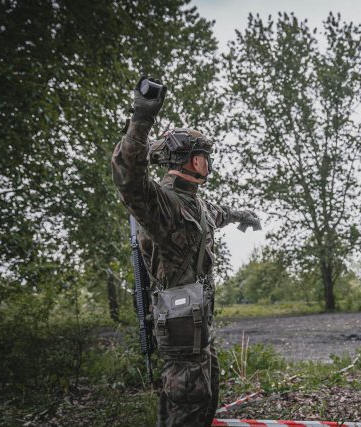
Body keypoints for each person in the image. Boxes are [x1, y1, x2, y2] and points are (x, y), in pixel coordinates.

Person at [111, 77, 261, 426]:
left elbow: (217, 214)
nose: (209, 163)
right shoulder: (162, 204)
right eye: (205, 156)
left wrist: (242, 216)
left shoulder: (194, 204)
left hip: (196, 326)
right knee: (189, 403)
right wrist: (142, 116)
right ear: (193, 161)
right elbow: (128, 177)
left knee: (203, 396)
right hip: (178, 325)